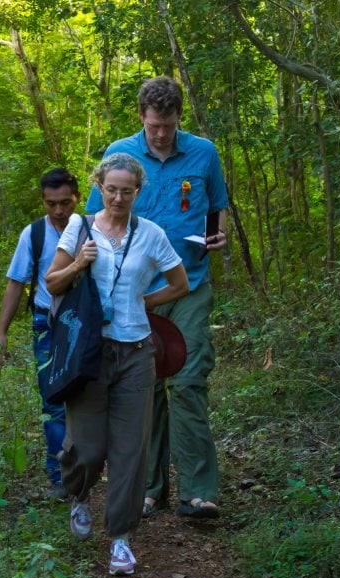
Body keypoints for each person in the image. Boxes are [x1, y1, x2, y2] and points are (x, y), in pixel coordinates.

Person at [86, 76, 229, 519]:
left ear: (178, 118)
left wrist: (216, 235)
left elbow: (216, 206)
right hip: (134, 291)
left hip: (189, 283)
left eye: (167, 125)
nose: (161, 134)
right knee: (143, 388)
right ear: (142, 118)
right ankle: (149, 488)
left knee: (187, 383)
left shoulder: (204, 152)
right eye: (153, 126)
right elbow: (95, 215)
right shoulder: (120, 154)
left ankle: (199, 492)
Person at [46, 154, 188, 575]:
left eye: (127, 190)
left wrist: (144, 303)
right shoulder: (80, 226)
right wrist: (79, 263)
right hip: (88, 353)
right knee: (87, 449)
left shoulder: (153, 234)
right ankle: (78, 492)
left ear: (137, 192)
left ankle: (121, 540)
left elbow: (180, 283)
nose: (119, 197)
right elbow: (52, 282)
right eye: (111, 189)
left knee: (130, 450)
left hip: (137, 353)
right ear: (99, 188)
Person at [0, 168, 80, 501]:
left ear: (77, 198)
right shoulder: (34, 234)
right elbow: (17, 283)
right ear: (43, 201)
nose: (59, 211)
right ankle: (60, 478)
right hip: (46, 324)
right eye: (51, 204)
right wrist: (1, 332)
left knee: (88, 401)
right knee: (53, 402)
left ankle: (88, 471)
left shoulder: (92, 228)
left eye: (66, 203)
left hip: (86, 326)